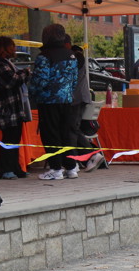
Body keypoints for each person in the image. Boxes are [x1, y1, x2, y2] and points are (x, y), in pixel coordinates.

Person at [28, 23, 79, 180]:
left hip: (48, 101)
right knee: (66, 134)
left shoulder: (44, 56)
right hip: (67, 100)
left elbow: (41, 80)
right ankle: (71, 167)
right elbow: (74, 79)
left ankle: (56, 168)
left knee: (51, 134)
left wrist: (32, 91)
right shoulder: (71, 55)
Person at [0, 36, 31, 180]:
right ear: (4, 48)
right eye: (12, 46)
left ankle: (15, 167)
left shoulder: (5, 63)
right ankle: (5, 169)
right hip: (6, 107)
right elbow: (11, 81)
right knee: (9, 138)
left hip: (13, 106)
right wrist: (25, 72)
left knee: (14, 137)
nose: (15, 49)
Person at [69, 41, 105, 172]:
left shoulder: (76, 59)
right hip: (81, 97)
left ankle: (88, 155)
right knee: (73, 128)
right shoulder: (80, 60)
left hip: (75, 98)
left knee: (72, 129)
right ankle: (82, 158)